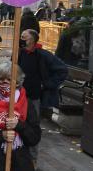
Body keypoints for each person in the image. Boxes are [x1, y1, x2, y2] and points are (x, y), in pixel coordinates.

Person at [17, 29, 67, 162]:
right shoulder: (19, 53)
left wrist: (48, 84)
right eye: (21, 37)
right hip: (18, 96)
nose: (21, 39)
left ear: (32, 39)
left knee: (32, 126)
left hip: (34, 97)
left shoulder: (43, 55)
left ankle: (32, 158)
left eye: (24, 37)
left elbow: (62, 70)